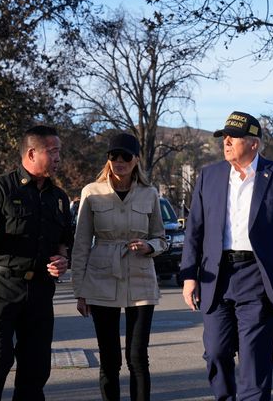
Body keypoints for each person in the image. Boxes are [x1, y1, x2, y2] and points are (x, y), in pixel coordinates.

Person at [180, 111, 273, 401]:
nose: (226, 142)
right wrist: (189, 276)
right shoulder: (208, 176)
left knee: (254, 360)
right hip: (217, 277)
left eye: (233, 137)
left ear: (254, 143)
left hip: (257, 277)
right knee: (216, 352)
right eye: (223, 137)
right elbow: (194, 231)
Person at [0, 125, 71, 401]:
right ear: (32, 153)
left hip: (40, 289)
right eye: (53, 151)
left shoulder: (58, 198)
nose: (59, 157)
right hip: (1, 288)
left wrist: (63, 259)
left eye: (60, 151)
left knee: (36, 368)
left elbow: (63, 241)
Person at [72, 132, 167, 401]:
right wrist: (80, 290)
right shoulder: (91, 192)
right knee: (109, 358)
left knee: (138, 357)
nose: (120, 161)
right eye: (114, 155)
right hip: (102, 277)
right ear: (108, 159)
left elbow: (160, 237)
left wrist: (151, 247)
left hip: (141, 277)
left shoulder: (150, 194)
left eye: (126, 155)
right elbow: (81, 244)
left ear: (136, 159)